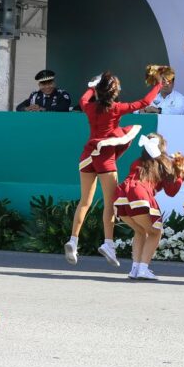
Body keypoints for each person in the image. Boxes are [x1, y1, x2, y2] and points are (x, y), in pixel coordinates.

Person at [64, 69, 163, 266]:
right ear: (114, 92)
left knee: (85, 201)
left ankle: (73, 240)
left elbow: (84, 99)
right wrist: (159, 84)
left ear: (99, 90)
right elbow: (144, 102)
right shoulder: (117, 108)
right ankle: (108, 243)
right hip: (105, 157)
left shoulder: (89, 107)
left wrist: (91, 87)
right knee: (110, 202)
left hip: (87, 156)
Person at [114, 133, 184, 281]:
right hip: (138, 194)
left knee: (140, 231)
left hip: (121, 195)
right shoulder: (164, 164)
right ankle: (143, 269)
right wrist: (180, 174)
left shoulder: (138, 161)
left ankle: (135, 268)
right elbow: (171, 192)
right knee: (155, 232)